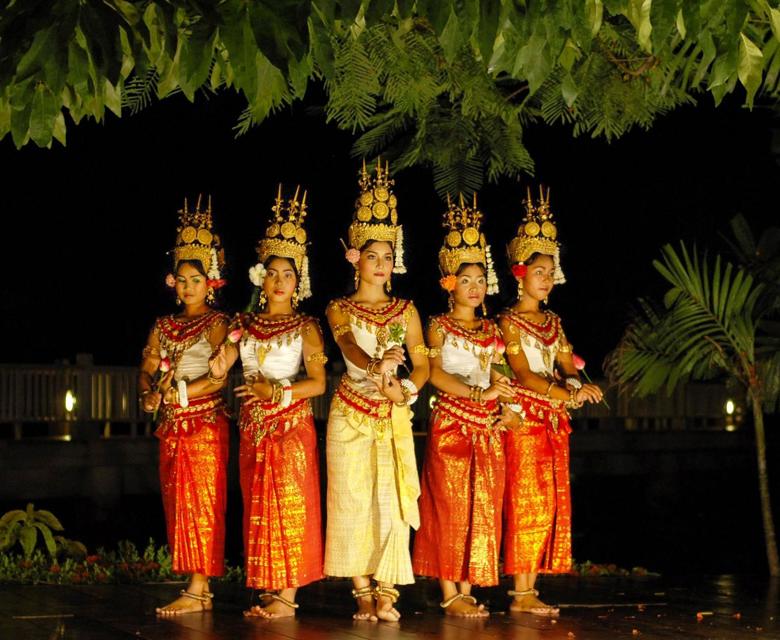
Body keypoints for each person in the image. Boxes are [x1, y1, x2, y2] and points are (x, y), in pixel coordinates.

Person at [208, 186, 326, 619]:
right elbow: (227, 363)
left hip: (290, 424)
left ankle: (288, 596)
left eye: (287, 275)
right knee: (260, 504)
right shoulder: (245, 323)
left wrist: (275, 393)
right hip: (254, 426)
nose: (279, 281)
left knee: (291, 503)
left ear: (299, 281)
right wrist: (221, 365)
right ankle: (272, 588)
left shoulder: (307, 326)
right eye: (273, 273)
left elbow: (317, 384)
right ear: (262, 277)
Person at [324, 160, 429, 622]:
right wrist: (377, 367)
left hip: (392, 412)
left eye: (388, 257)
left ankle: (388, 592)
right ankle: (361, 591)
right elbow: (346, 344)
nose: (382, 265)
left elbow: (423, 363)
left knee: (391, 500)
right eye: (373, 256)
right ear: (355, 259)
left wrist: (401, 389)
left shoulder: (406, 309)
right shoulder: (339, 308)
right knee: (351, 499)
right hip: (349, 410)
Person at [498, 187, 603, 616]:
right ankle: (520, 593)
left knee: (546, 501)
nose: (546, 279)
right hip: (524, 420)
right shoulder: (507, 321)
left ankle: (530, 587)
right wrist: (567, 394)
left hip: (552, 420)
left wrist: (578, 385)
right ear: (520, 274)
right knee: (524, 500)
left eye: (550, 272)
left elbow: (566, 363)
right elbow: (523, 374)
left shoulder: (553, 321)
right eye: (539, 271)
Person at [412, 194, 515, 617]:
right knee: (448, 504)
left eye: (480, 280)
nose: (474, 288)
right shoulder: (438, 326)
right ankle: (448, 590)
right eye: (466, 280)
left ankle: (468, 586)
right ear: (449, 283)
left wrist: (506, 402)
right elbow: (435, 375)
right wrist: (478, 396)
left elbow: (499, 373)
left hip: (487, 427)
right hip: (452, 423)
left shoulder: (492, 328)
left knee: (482, 506)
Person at [138, 196, 230, 615]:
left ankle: (197, 585)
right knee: (177, 502)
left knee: (204, 501)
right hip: (173, 423)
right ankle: (198, 586)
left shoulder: (216, 324)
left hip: (205, 423)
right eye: (182, 279)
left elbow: (219, 376)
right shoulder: (163, 325)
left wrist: (182, 393)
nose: (188, 286)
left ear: (209, 282)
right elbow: (146, 369)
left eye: (196, 279)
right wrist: (149, 393)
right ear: (171, 282)